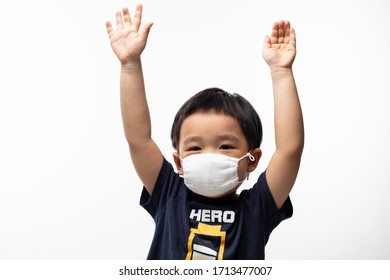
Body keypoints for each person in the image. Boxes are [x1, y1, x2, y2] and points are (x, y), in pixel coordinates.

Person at [106, 4, 304, 260]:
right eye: (195, 148)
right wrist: (130, 64)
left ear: (252, 159)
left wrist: (281, 72)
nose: (209, 155)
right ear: (178, 161)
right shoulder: (168, 193)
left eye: (225, 146)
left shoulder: (257, 208)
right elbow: (138, 139)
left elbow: (289, 150)